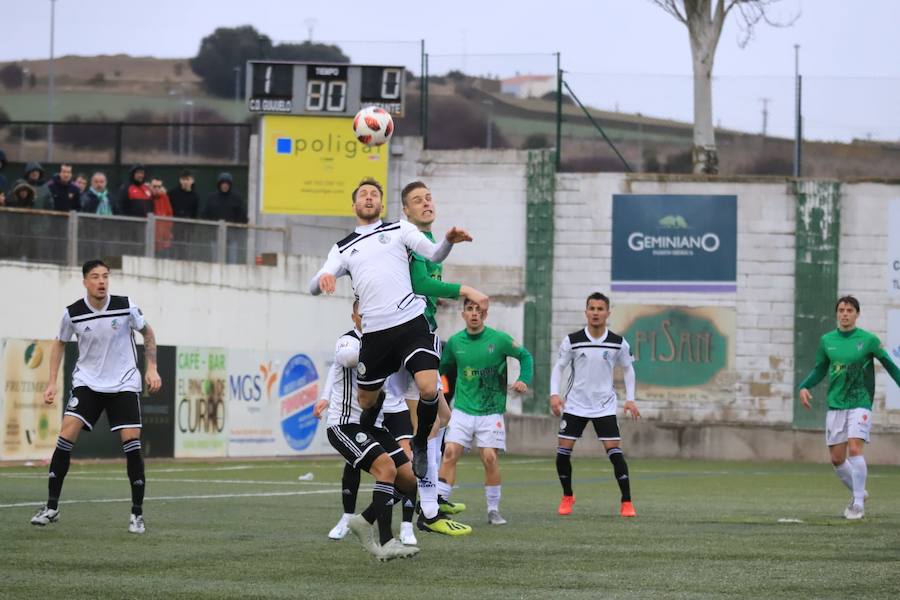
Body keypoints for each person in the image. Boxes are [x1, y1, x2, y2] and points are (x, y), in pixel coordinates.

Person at [308, 177, 478, 544]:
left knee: (430, 388)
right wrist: (323, 277)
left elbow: (433, 255)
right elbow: (316, 279)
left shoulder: (399, 229)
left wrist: (447, 240)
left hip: (410, 323)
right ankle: (380, 450)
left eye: (374, 194)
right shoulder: (343, 248)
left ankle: (418, 445)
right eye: (362, 195)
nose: (369, 197)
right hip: (376, 335)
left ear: (381, 204)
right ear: (353, 205)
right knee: (367, 402)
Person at [31, 259, 162, 534]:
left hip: (124, 383)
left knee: (132, 442)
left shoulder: (125, 305)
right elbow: (59, 343)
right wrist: (51, 382)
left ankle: (137, 514)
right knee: (66, 435)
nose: (101, 281)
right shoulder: (73, 313)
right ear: (85, 281)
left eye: (105, 276)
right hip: (88, 383)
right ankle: (51, 507)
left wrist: (152, 367)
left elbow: (147, 332)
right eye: (95, 277)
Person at [392, 180, 488, 534]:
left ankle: (427, 496)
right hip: (410, 336)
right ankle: (427, 508)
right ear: (406, 210)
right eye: (417, 200)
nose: (425, 203)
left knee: (438, 420)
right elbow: (421, 284)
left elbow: (430, 271)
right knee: (425, 423)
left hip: (423, 332)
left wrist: (446, 241)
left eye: (429, 197)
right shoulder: (409, 239)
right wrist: (463, 289)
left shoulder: (429, 242)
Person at [317, 299, 421, 561]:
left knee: (409, 479)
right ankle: (386, 542)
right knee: (386, 468)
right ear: (355, 317)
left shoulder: (387, 341)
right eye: (363, 314)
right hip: (345, 425)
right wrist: (382, 349)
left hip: (374, 425)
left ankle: (364, 520)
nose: (369, 317)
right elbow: (347, 357)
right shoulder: (349, 340)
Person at [798, 295, 900, 520]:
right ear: (837, 313)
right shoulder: (827, 341)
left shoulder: (868, 340)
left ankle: (857, 505)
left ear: (857, 314)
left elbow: (890, 366)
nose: (845, 313)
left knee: (855, 448)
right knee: (836, 459)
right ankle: (860, 492)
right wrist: (804, 386)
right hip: (836, 404)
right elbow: (819, 369)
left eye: (850, 310)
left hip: (860, 402)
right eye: (841, 310)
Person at [437, 298, 533, 525]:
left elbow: (525, 356)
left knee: (489, 457)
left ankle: (493, 509)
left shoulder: (498, 340)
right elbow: (441, 367)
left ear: (485, 315)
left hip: (490, 411)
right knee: (450, 453)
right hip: (462, 409)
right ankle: (440, 505)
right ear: (463, 314)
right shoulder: (455, 342)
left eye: (478, 310)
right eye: (469, 309)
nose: (474, 314)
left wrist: (523, 380)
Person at [550, 292, 640, 518]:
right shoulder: (573, 340)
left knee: (615, 452)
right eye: (592, 308)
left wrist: (630, 398)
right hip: (575, 405)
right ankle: (567, 496)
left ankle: (626, 502)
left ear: (608, 313)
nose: (596, 313)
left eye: (600, 309)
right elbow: (559, 367)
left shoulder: (618, 342)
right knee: (562, 452)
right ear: (586, 311)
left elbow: (628, 369)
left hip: (604, 406)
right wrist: (554, 394)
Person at [150, 178, 174, 254]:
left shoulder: (165, 198)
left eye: (159, 186)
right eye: (154, 186)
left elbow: (169, 215)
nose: (157, 188)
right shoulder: (147, 197)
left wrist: (168, 234)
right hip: (150, 236)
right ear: (150, 186)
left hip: (163, 237)